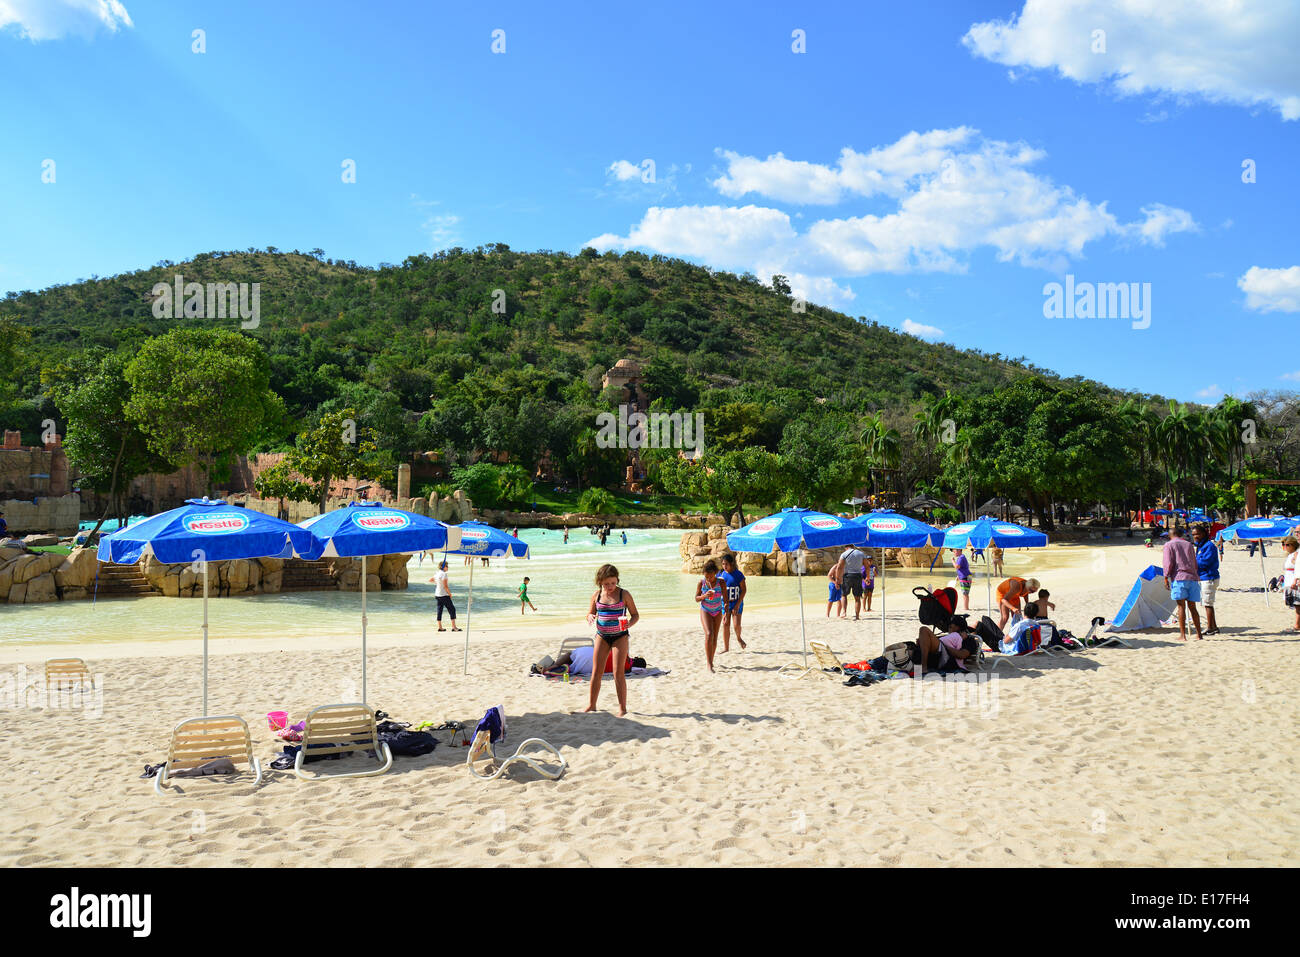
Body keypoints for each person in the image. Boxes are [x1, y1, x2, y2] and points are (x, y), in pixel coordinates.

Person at [585, 564, 638, 715]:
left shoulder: (624, 595)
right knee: (596, 672)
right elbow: (589, 613)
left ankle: (622, 708)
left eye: (613, 583)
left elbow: (635, 615)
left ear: (617, 580)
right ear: (600, 581)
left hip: (620, 637)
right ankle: (592, 705)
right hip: (602, 636)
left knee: (618, 672)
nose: (610, 586)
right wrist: (590, 616)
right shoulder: (596, 595)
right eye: (606, 583)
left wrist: (629, 623)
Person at [1162, 526, 1203, 641]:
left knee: (1181, 607)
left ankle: (1183, 635)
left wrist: (1166, 577)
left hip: (1179, 578)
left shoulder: (1169, 545)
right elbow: (1194, 562)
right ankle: (1199, 634)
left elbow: (1168, 562)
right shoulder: (1189, 544)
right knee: (1193, 607)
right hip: (1192, 577)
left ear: (1170, 535)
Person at [696, 559, 726, 672]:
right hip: (706, 610)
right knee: (709, 633)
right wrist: (704, 596)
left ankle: (711, 661)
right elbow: (696, 598)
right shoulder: (702, 583)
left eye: (710, 576)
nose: (708, 579)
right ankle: (708, 664)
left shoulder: (721, 583)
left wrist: (726, 613)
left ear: (715, 573)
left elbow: (726, 600)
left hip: (718, 610)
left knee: (714, 637)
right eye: (706, 576)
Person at [1191, 523, 1220, 636]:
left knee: (1207, 603)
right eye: (1193, 535)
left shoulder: (1209, 546)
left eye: (1197, 534)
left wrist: (1192, 563)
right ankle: (1214, 626)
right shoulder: (1200, 546)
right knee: (1208, 603)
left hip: (1209, 577)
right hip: (1203, 577)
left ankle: (1210, 628)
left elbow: (1205, 562)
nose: (1195, 536)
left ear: (1203, 533)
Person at [718, 553, 748, 651]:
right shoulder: (721, 575)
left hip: (737, 602)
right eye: (723, 564)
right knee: (726, 624)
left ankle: (739, 638)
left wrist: (738, 604)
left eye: (726, 564)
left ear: (732, 563)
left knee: (736, 625)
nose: (724, 566)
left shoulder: (738, 575)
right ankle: (726, 648)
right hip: (725, 603)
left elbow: (744, 590)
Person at [837, 543, 868, 620]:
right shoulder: (861, 553)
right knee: (857, 598)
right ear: (853, 546)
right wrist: (867, 577)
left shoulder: (844, 554)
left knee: (844, 595)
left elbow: (839, 567)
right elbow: (866, 566)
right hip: (858, 576)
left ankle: (844, 611)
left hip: (847, 576)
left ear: (846, 547)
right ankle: (857, 616)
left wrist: (838, 578)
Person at [428, 561, 460, 632]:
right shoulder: (444, 574)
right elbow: (445, 586)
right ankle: (454, 627)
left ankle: (440, 627)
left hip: (437, 594)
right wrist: (450, 594)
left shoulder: (437, 573)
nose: (448, 567)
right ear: (444, 567)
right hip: (444, 595)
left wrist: (438, 583)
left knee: (439, 610)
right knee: (452, 609)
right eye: (447, 566)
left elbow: (430, 580)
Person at [1282, 536, 1300, 631]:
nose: (1285, 546)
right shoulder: (1290, 555)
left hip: (1294, 581)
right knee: (1295, 604)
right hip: (1289, 581)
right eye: (1284, 545)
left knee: (1297, 605)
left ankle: (1297, 625)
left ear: (1293, 545)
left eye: (1287, 545)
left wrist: (1296, 580)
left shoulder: (1296, 554)